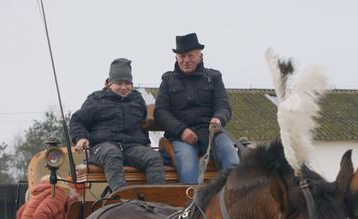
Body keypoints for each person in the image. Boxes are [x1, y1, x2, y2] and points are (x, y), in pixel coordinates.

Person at [154, 33, 239, 184]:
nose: (186, 60)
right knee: (187, 164)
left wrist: (219, 118)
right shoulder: (167, 80)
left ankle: (233, 200)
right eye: (182, 56)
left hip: (212, 134)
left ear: (200, 56)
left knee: (231, 156)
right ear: (176, 58)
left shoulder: (214, 77)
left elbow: (223, 105)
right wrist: (181, 131)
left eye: (190, 55)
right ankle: (192, 205)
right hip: (182, 137)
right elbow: (160, 112)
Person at [70, 58, 165, 192]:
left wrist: (146, 143)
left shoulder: (137, 99)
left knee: (154, 157)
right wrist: (81, 138)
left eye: (127, 83)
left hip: (131, 147)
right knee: (112, 154)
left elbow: (142, 124)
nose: (123, 87)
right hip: (102, 146)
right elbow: (77, 120)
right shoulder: (96, 100)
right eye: (119, 83)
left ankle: (157, 202)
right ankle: (121, 199)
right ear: (108, 83)